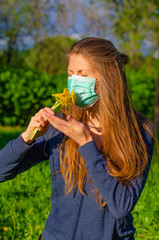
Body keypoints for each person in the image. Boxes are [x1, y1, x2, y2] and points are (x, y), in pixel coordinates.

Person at [0, 37, 158, 240]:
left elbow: (121, 206)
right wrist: (26, 137)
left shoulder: (140, 132)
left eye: (82, 74)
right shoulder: (61, 126)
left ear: (108, 78)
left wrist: (87, 145)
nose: (74, 82)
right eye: (70, 74)